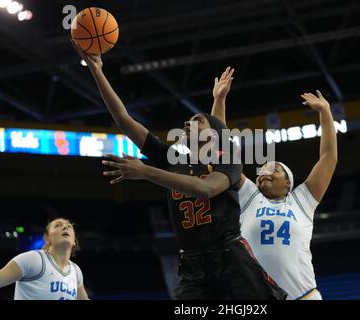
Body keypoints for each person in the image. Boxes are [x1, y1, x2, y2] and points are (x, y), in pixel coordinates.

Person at [72, 42, 287, 300]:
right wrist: (97, 71)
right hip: (191, 264)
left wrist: (146, 172)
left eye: (198, 121)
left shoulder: (227, 160)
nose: (188, 123)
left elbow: (206, 189)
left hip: (230, 257)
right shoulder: (173, 159)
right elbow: (124, 120)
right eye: (188, 121)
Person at [211, 68, 338, 300]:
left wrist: (326, 113)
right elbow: (222, 152)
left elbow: (328, 157)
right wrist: (219, 99)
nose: (264, 172)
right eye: (261, 170)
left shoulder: (302, 200)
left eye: (273, 169)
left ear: (288, 183)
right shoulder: (249, 195)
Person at [0, 218, 89, 300]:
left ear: (74, 241)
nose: (65, 227)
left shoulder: (76, 271)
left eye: (69, 226)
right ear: (47, 238)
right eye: (57, 225)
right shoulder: (34, 259)